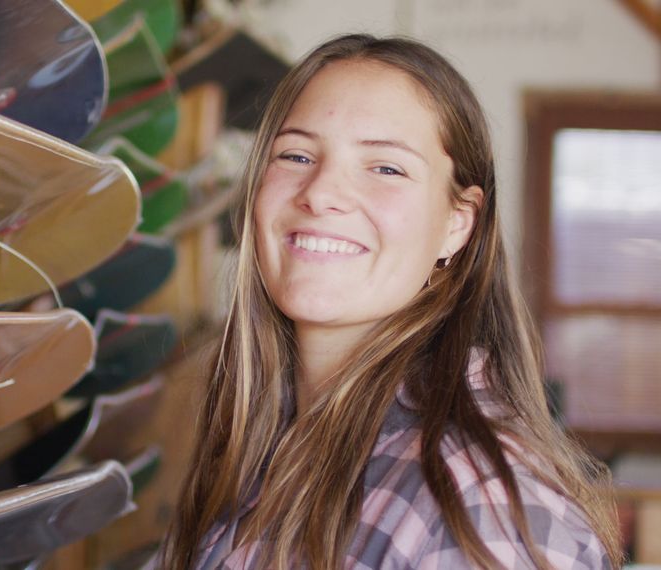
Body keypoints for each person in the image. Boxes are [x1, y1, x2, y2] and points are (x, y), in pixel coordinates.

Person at [159, 34, 622, 569]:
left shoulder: (473, 507)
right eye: (296, 154)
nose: (321, 192)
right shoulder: (269, 450)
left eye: (386, 168)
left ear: (457, 224)